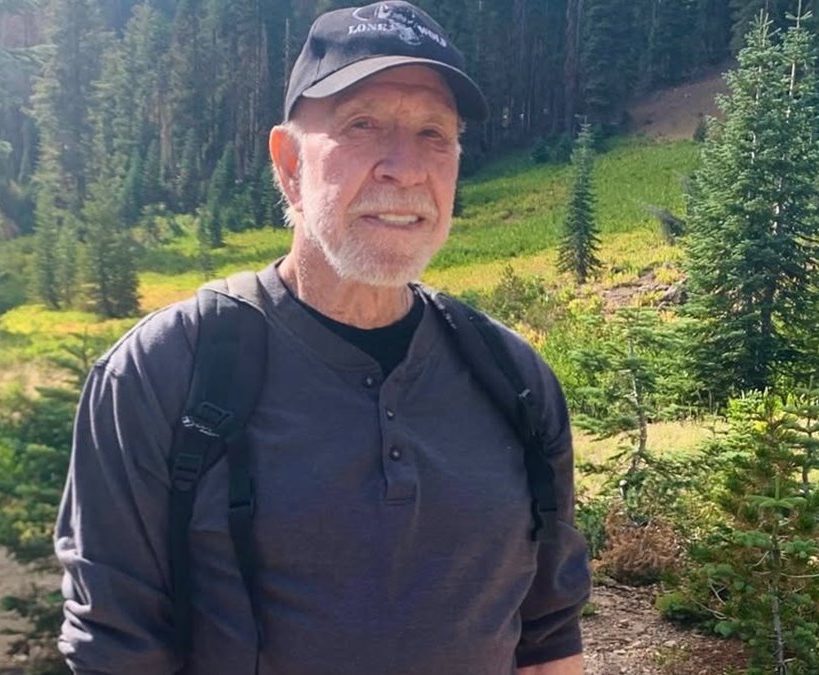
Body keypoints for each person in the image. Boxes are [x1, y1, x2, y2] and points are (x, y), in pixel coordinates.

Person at [53, 2, 591, 674]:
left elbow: (549, 636)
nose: (405, 168)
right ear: (288, 164)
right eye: (362, 125)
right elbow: (115, 650)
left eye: (434, 133)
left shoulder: (514, 378)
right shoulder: (162, 372)